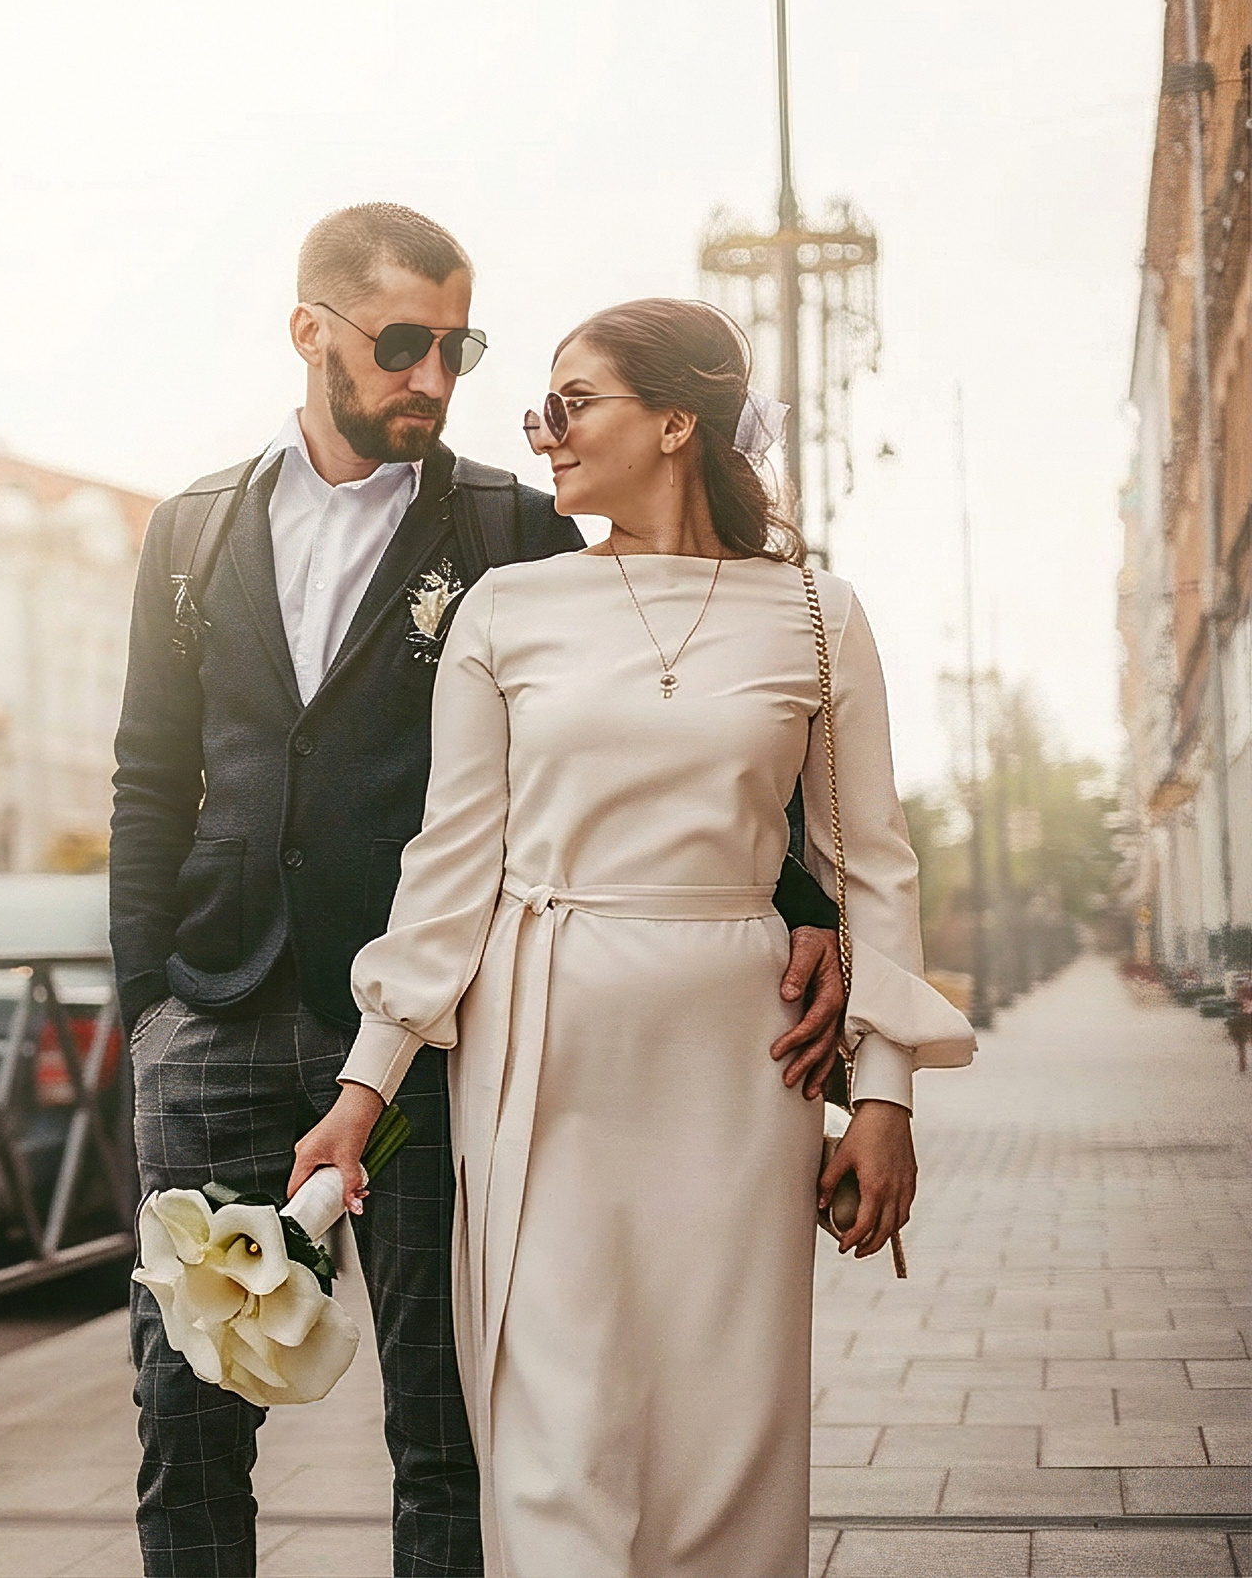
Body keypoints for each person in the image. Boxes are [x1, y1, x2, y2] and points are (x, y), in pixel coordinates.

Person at [111, 212, 848, 1578]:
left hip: (444, 1028)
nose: (434, 378)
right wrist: (144, 1005)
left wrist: (802, 898)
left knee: (450, 1416)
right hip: (217, 1005)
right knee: (185, 1407)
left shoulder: (513, 524)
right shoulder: (195, 528)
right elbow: (150, 778)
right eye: (403, 345)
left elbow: (667, 718)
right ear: (310, 331)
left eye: (459, 346)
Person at [294, 297, 972, 1577]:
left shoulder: (818, 616)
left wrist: (884, 1100)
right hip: (539, 1052)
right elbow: (450, 869)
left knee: (729, 1424)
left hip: (737, 1065)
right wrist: (362, 1084)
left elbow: (867, 866)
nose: (542, 430)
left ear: (674, 422)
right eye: (538, 406)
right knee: (554, 1434)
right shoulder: (505, 611)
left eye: (572, 400)